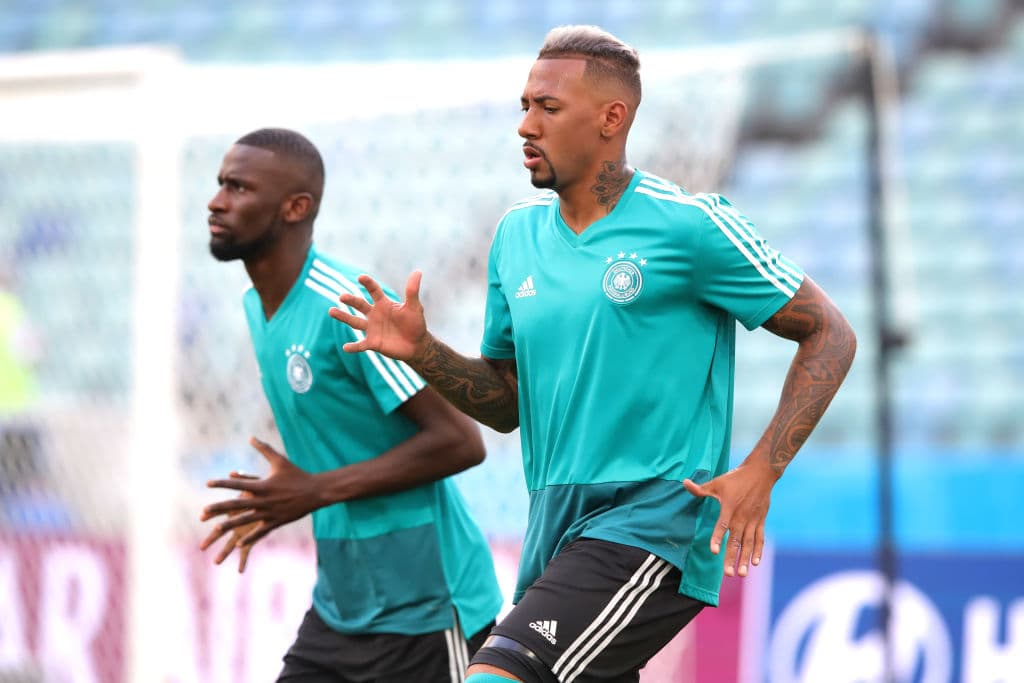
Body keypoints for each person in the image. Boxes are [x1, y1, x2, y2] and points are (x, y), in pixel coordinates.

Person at [329, 25, 857, 683]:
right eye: (524, 106)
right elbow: (506, 402)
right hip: (556, 534)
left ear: (612, 118)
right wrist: (423, 350)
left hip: (652, 523)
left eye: (547, 108)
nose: (526, 125)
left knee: (496, 675)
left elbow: (831, 332)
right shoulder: (515, 237)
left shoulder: (690, 225)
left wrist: (761, 469)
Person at [198, 128, 504, 682]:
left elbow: (460, 441)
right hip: (343, 607)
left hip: (429, 607)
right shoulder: (256, 307)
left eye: (239, 188)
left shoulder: (342, 306)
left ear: (296, 207)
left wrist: (312, 490)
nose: (217, 201)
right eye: (221, 184)